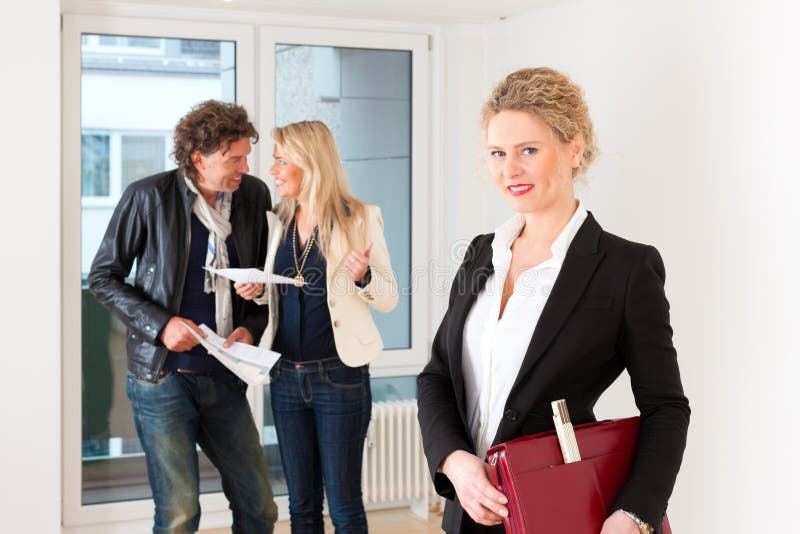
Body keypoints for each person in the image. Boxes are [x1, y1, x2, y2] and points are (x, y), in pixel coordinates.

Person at [417, 67, 690, 534]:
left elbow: (666, 408)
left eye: (529, 150)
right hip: (468, 511)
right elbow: (437, 375)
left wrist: (634, 513)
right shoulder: (483, 251)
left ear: (574, 149)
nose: (509, 170)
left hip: (557, 509)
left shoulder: (626, 268)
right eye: (497, 153)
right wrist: (454, 461)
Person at [88, 100, 278, 534]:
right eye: (235, 158)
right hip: (162, 378)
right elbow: (104, 277)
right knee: (179, 516)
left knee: (261, 508)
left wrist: (251, 323)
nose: (245, 167)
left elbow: (263, 281)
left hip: (226, 373)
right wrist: (161, 325)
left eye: (246, 156)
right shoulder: (148, 196)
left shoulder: (252, 196)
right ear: (199, 157)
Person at [235, 120, 398, 534]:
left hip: (339, 377)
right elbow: (281, 294)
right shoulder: (278, 222)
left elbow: (389, 298)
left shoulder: (361, 217)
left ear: (309, 163)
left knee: (343, 505)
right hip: (286, 377)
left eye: (280, 160)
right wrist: (257, 290)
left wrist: (363, 276)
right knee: (301, 505)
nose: (272, 169)